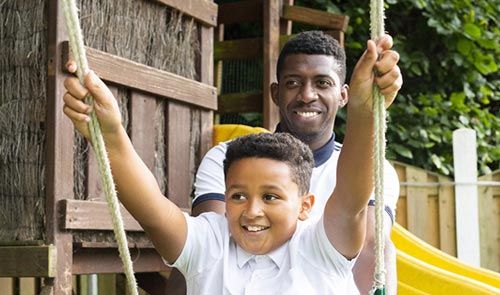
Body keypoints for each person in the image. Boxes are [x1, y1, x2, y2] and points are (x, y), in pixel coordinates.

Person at [62, 29, 398, 293]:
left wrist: (366, 111)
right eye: (237, 195)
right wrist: (110, 135)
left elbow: (351, 198)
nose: (251, 210)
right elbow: (151, 206)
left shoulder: (322, 248)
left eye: (270, 197)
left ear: (305, 206)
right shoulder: (211, 242)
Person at [191, 31, 402, 294]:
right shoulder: (226, 158)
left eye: (323, 83)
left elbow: (370, 246)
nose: (307, 95)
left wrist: (366, 110)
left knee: (385, 245)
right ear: (276, 93)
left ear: (344, 95)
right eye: (293, 83)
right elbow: (211, 246)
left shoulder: (375, 170)